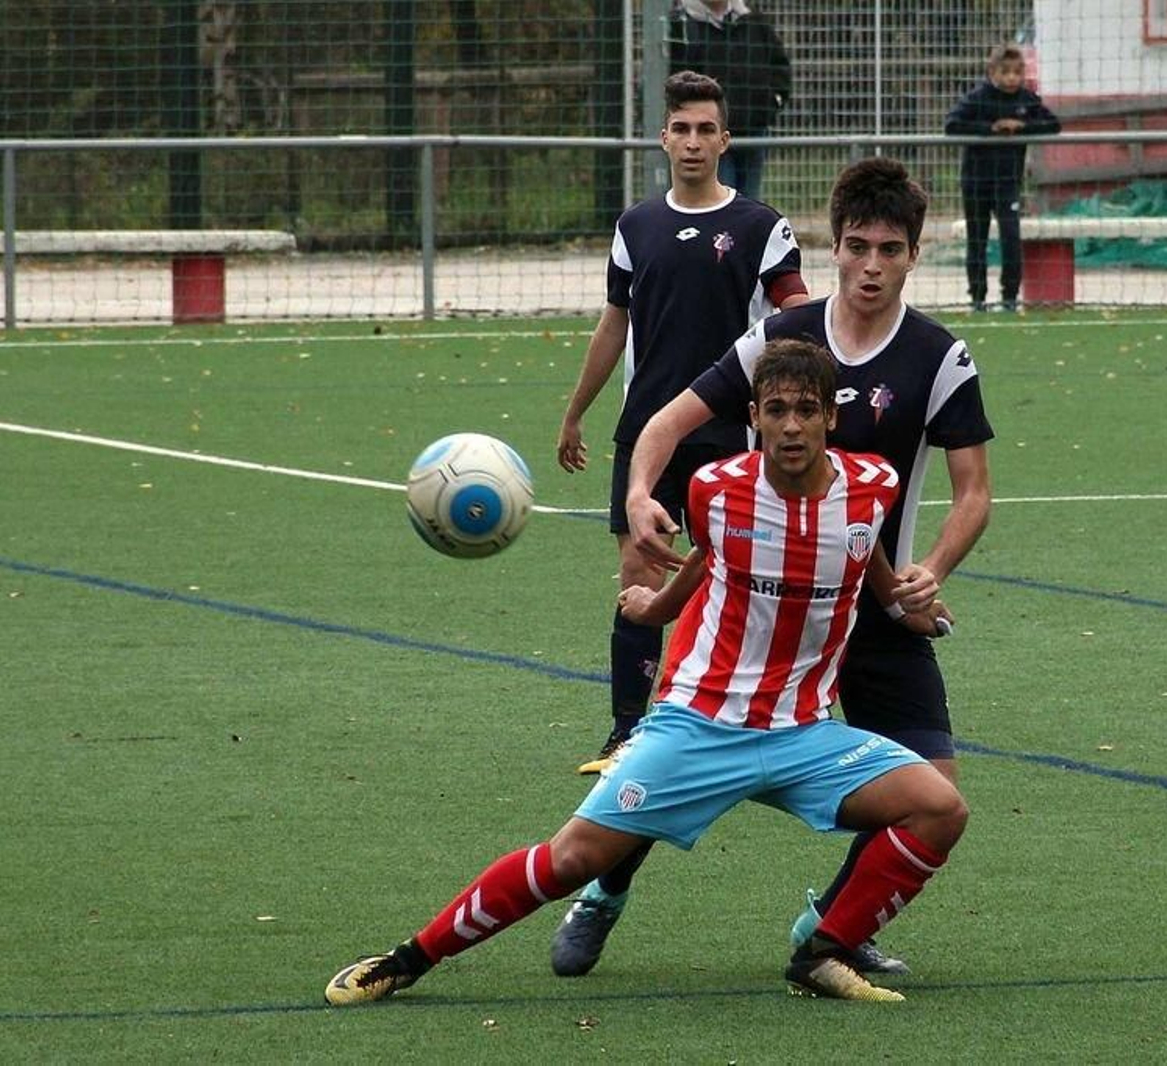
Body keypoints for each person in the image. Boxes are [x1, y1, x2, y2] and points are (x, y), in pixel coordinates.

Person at [324, 339, 967, 1007]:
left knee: (939, 808)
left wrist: (904, 603)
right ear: (754, 415)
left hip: (803, 733)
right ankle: (406, 960)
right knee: (573, 857)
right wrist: (655, 606)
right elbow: (708, 559)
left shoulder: (874, 486)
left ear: (831, 417)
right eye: (776, 410)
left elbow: (866, 562)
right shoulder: (716, 490)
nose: (792, 426)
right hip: (699, 724)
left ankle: (822, 952)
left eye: (807, 410)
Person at [548, 156, 993, 982]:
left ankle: (832, 927)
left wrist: (930, 569)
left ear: (913, 255)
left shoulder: (939, 356)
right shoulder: (779, 342)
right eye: (856, 246)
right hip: (760, 610)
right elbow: (666, 419)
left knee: (932, 791)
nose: (870, 265)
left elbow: (974, 493)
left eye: (889, 250)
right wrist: (643, 491)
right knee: (677, 762)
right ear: (834, 247)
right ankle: (602, 893)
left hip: (872, 599)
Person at [557, 70, 809, 778]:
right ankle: (624, 734)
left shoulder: (761, 226)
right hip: (646, 434)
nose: (694, 142)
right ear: (663, 138)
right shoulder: (636, 226)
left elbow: (797, 315)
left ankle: (743, 719)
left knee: (740, 577)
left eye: (707, 130)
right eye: (682, 130)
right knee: (636, 571)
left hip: (730, 434)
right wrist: (576, 412)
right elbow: (614, 324)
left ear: (725, 141)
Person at [944, 43, 1061, 313]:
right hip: (975, 183)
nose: (1011, 78)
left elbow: (1053, 124)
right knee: (977, 241)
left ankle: (1009, 297)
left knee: (1011, 238)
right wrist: (990, 129)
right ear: (991, 72)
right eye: (1005, 72)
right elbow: (951, 124)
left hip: (1008, 183)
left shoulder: (1026, 100)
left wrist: (1023, 127)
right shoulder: (977, 98)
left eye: (1017, 72)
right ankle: (977, 298)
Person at [668, 0, 792, 201]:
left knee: (749, 204)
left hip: (753, 132)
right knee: (715, 202)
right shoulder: (679, 25)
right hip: (705, 136)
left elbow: (780, 66)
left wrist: (771, 103)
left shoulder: (754, 22)